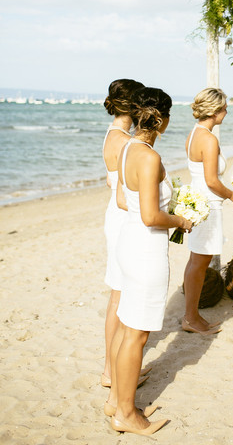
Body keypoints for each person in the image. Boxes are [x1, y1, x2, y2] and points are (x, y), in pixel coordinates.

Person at [106, 87, 192, 436]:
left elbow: (124, 202)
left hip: (127, 244)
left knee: (128, 325)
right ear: (162, 119)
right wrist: (181, 220)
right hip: (145, 250)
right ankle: (126, 414)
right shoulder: (150, 157)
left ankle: (117, 400)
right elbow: (150, 216)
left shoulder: (126, 146)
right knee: (137, 334)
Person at [183, 88, 233, 335]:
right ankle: (190, 317)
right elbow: (211, 180)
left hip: (201, 200)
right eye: (224, 107)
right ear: (214, 110)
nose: (227, 111)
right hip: (207, 204)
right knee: (200, 263)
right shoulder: (208, 139)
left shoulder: (194, 134)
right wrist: (232, 195)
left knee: (196, 261)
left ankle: (191, 314)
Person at [101, 78, 144, 389]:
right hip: (121, 217)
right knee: (118, 293)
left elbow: (110, 179)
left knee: (119, 291)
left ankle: (112, 367)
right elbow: (120, 191)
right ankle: (109, 370)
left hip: (116, 214)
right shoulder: (124, 141)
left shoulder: (114, 135)